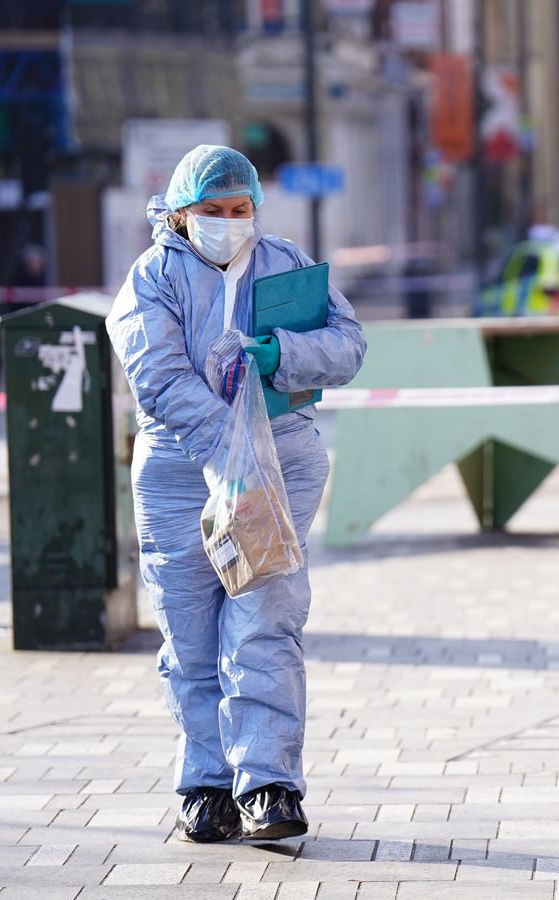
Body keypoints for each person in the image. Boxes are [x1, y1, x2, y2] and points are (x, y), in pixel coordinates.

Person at [107, 145, 366, 843]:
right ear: (181, 214)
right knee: (190, 632)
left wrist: (284, 352)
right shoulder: (153, 278)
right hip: (181, 473)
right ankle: (206, 784)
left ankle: (269, 784)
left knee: (264, 619)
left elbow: (348, 344)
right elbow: (157, 377)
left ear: (255, 206)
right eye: (212, 212)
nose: (228, 222)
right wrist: (232, 445)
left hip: (280, 463)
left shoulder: (283, 262)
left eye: (239, 209)